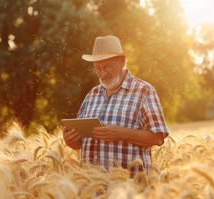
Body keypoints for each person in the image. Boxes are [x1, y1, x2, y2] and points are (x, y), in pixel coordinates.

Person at [63, 35, 169, 176]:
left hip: (130, 189)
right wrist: (71, 140)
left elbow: (157, 138)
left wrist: (120, 133)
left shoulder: (144, 91)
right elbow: (79, 144)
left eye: (107, 67)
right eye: (97, 68)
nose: (102, 73)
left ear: (122, 61)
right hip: (92, 189)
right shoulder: (92, 95)